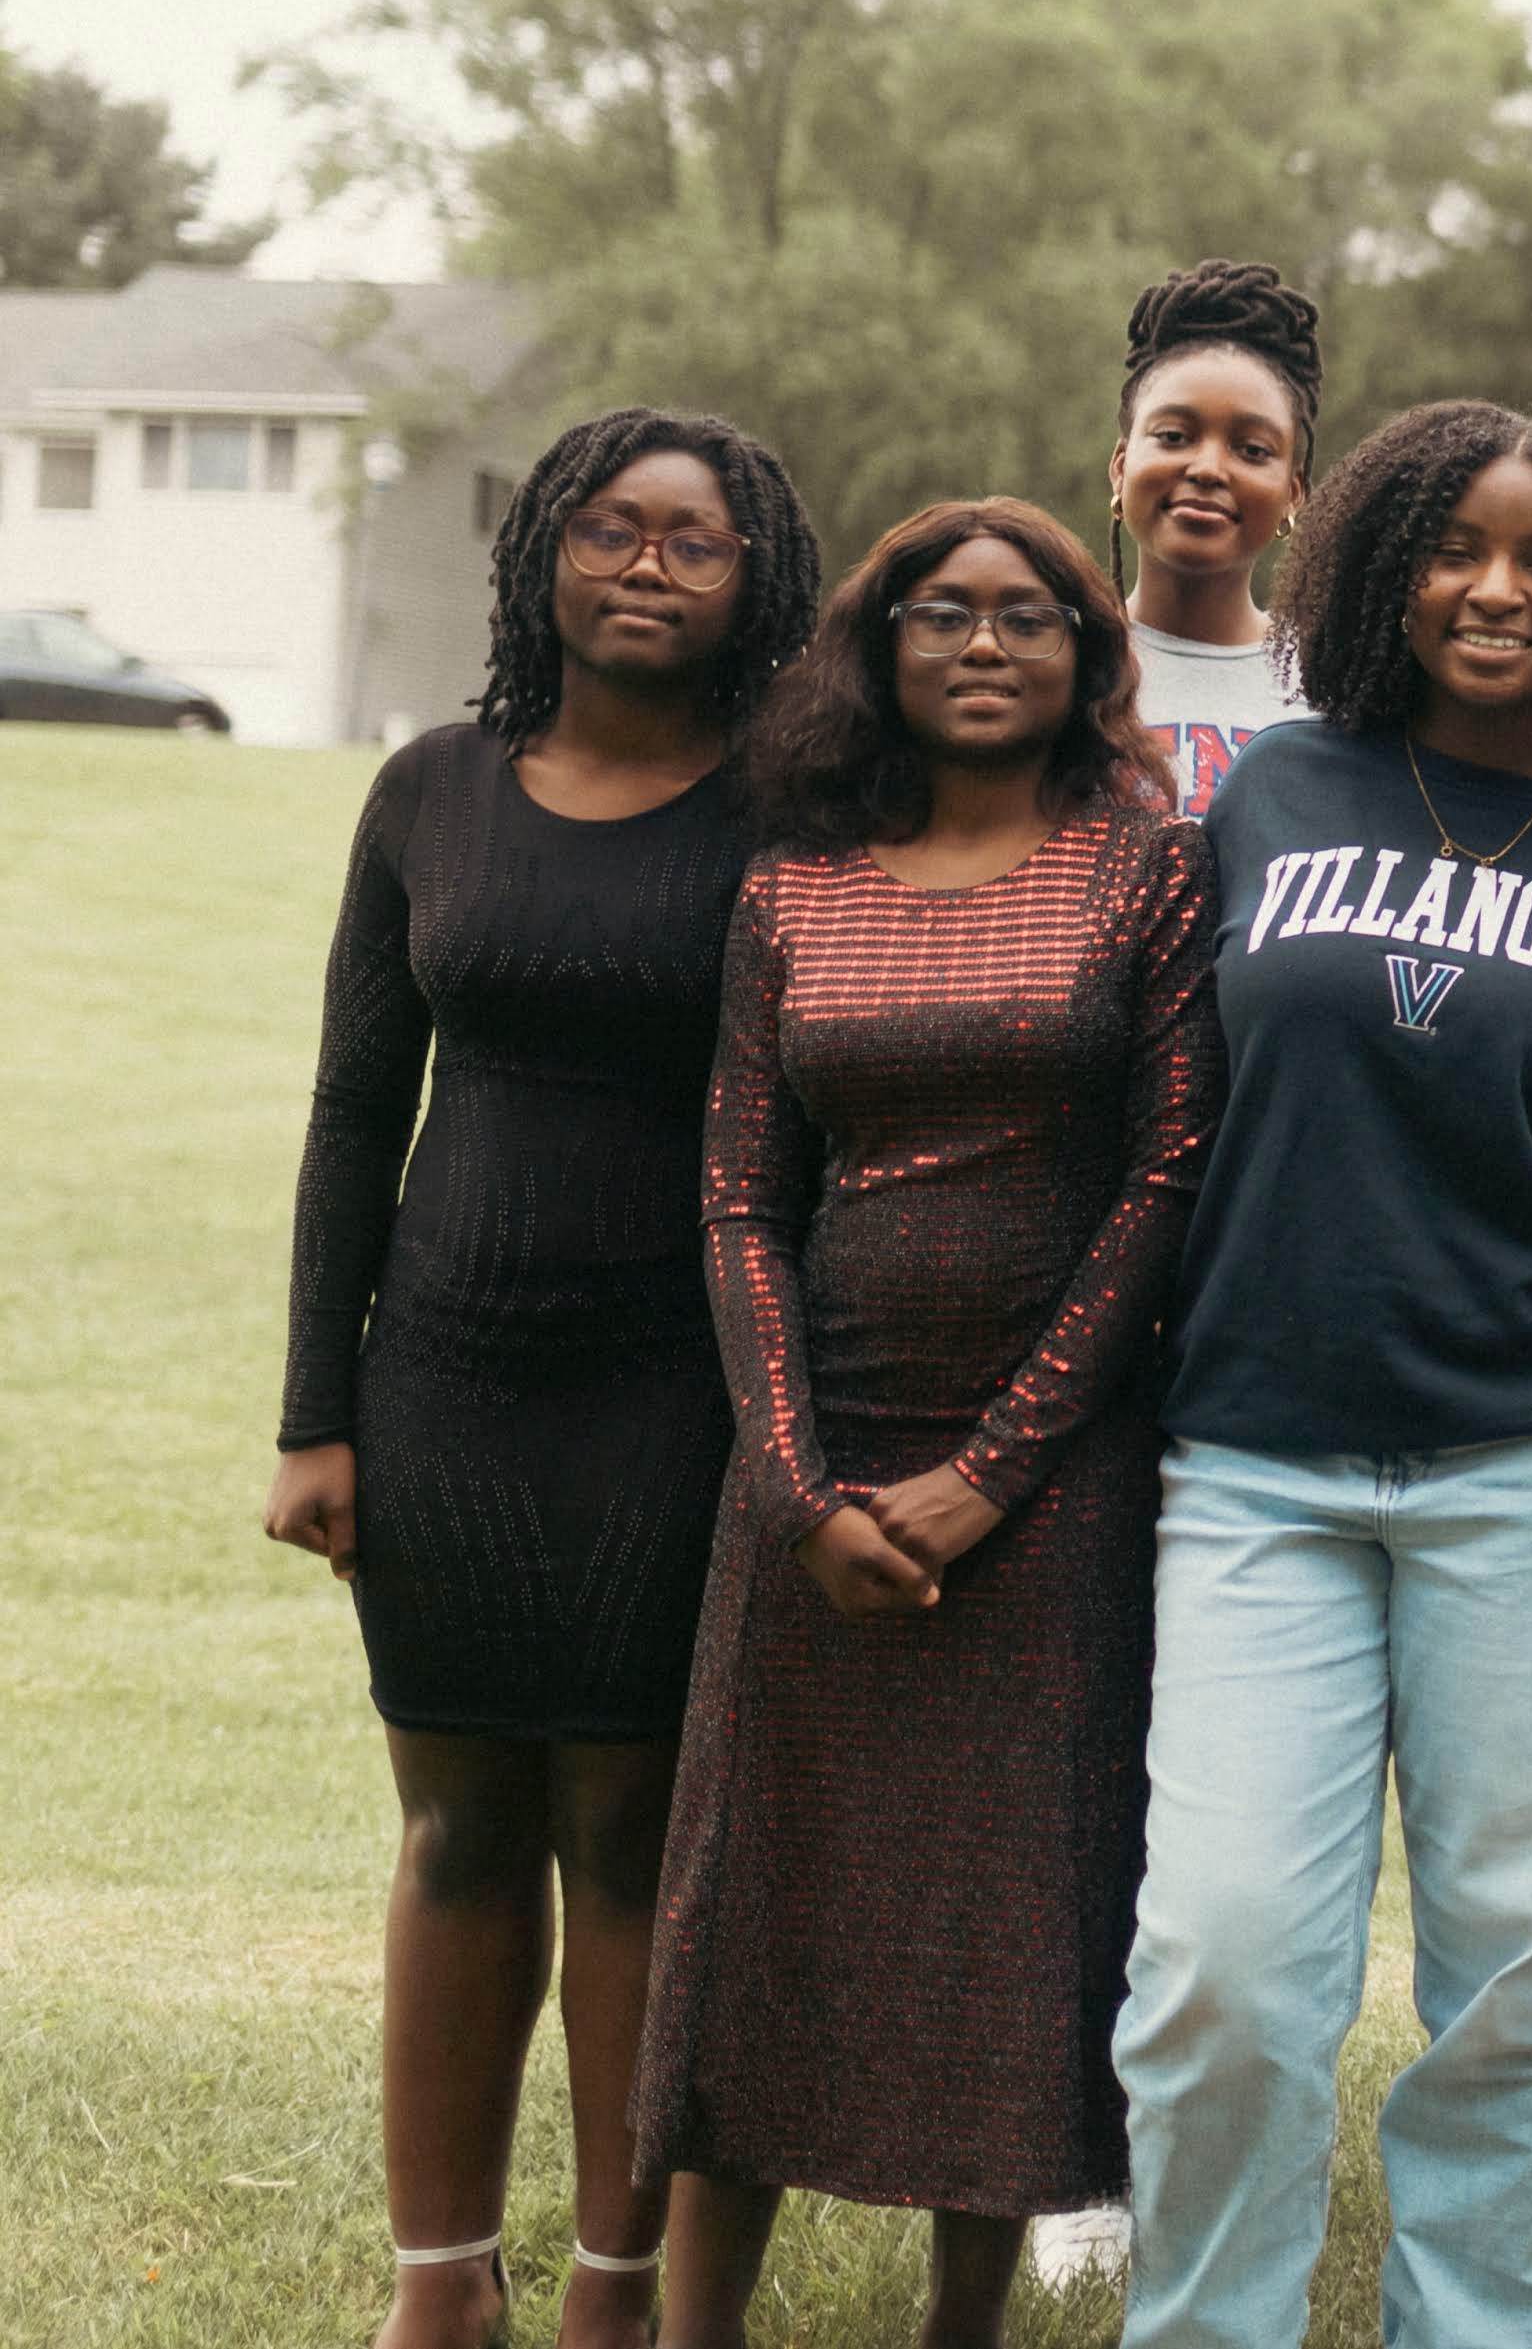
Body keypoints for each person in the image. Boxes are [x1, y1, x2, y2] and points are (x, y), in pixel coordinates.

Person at [1110, 401, 1532, 2349]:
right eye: (1460, 544)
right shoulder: (1270, 796)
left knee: (1518, 1987)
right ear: (1384, 566)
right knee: (1218, 1965)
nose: (1499, 587)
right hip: (1258, 1460)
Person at [269, 411, 822, 2349]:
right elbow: (353, 1110)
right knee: (453, 1825)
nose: (650, 563)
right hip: (444, 1380)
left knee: (631, 1831)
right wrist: (312, 1414)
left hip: (676, 1395)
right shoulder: (430, 792)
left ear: (758, 578)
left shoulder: (789, 817)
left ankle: (609, 2281)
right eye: (612, 528)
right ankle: (441, 2281)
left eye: (697, 536)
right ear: (545, 561)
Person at [638, 500, 1217, 2348]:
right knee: (758, 1912)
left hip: (1050, 1481)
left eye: (1028, 616)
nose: (984, 644)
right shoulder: (794, 879)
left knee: (1004, 1923)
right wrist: (801, 1487)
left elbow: (1166, 1174)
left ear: (1085, 652)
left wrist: (990, 1476)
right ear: (880, 648)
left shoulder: (1147, 866)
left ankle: (961, 2324)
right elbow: (739, 1196)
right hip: (809, 1460)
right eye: (941, 615)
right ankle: (696, 2318)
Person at [1108, 258, 1322, 816]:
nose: (1207, 468)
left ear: (1293, 493)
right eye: (1174, 436)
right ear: (1121, 467)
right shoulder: (1056, 660)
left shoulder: (1330, 688)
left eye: (1252, 451)